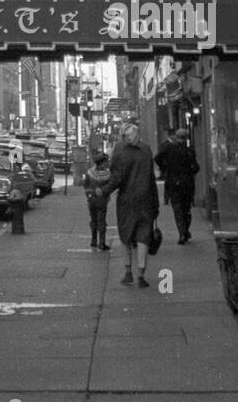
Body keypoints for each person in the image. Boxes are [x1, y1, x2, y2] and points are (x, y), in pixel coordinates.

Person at [104, 122, 159, 288]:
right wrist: (155, 203)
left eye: (125, 135)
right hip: (146, 199)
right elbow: (151, 178)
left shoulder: (119, 150)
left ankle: (128, 272)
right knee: (143, 237)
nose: (125, 138)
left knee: (126, 235)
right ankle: (141, 275)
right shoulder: (146, 149)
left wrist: (103, 192)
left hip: (127, 200)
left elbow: (116, 179)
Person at [155, 128, 199, 244]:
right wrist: (190, 171)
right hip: (187, 182)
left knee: (177, 208)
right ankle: (185, 230)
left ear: (176, 137)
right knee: (186, 208)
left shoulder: (169, 148)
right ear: (186, 138)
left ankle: (181, 232)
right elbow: (195, 167)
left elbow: (157, 157)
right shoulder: (189, 151)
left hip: (173, 181)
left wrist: (165, 168)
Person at [82, 151, 112, 250]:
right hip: (102, 200)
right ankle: (102, 242)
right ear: (102, 163)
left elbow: (85, 186)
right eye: (107, 161)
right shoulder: (107, 175)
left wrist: (89, 195)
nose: (108, 163)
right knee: (101, 221)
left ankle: (93, 241)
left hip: (91, 200)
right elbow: (110, 187)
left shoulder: (90, 173)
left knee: (93, 220)